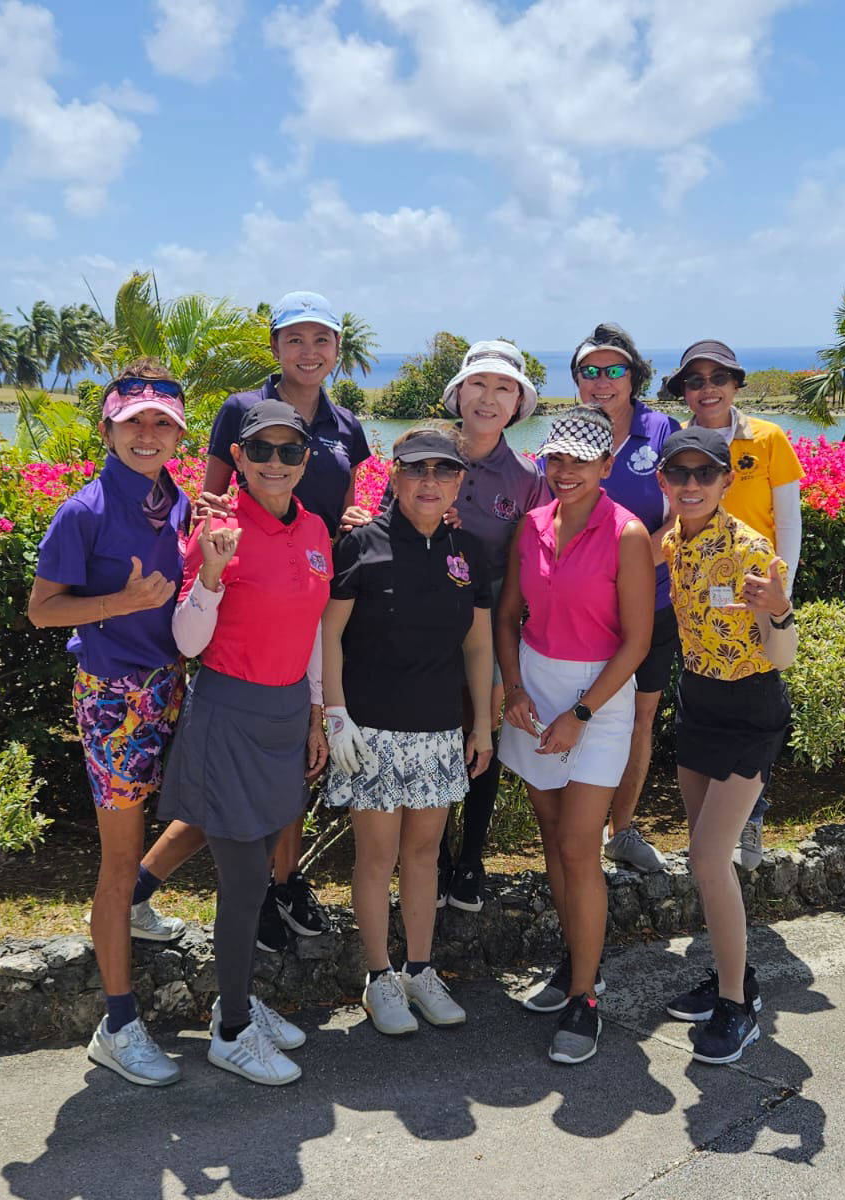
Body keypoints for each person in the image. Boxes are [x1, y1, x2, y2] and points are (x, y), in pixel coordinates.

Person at [131, 291, 373, 953]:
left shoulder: (347, 426)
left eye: (322, 340)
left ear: (337, 352)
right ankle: (178, 894)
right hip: (247, 593)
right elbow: (213, 500)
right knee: (237, 796)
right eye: (295, 339)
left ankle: (282, 885)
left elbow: (341, 519)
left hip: (312, 596)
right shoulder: (239, 411)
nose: (309, 352)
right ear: (275, 348)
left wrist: (352, 531)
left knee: (291, 776)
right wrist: (210, 567)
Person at [156, 398, 331, 1086]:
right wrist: (207, 574)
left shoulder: (315, 527)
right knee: (244, 881)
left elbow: (314, 628)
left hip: (287, 714)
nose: (276, 464)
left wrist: (317, 714)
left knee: (256, 873)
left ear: (306, 461)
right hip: (229, 711)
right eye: (261, 451)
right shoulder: (219, 529)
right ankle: (229, 1030)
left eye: (290, 452)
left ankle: (240, 998)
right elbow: (188, 641)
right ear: (240, 458)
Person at [26, 359, 192, 1087]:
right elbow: (42, 607)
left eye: (163, 423)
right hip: (113, 699)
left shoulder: (180, 502)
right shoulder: (83, 512)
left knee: (214, 809)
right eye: (135, 424)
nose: (149, 436)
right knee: (116, 860)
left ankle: (143, 899)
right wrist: (116, 605)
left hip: (176, 686)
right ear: (109, 429)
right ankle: (118, 1024)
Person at [323, 426, 496, 1035]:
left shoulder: (467, 551)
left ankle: (420, 970)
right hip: (370, 731)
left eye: (443, 471)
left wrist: (481, 725)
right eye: (416, 470)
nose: (429, 482)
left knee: (424, 855)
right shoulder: (360, 546)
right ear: (393, 477)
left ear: (458, 482)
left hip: (440, 731)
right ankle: (378, 978)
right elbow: (331, 636)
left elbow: (479, 645)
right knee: (376, 858)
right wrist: (335, 712)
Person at [496, 405, 654, 1064]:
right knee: (552, 841)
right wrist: (515, 689)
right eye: (556, 459)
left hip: (602, 700)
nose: (565, 472)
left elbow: (638, 642)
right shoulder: (530, 526)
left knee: (578, 844)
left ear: (606, 467)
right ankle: (573, 962)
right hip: (536, 689)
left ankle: (585, 997)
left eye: (580, 462)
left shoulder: (628, 534)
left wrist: (580, 714)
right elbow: (508, 617)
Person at [651, 425, 797, 1064]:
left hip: (749, 712)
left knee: (708, 858)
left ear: (726, 481)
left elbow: (783, 657)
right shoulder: (674, 543)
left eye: (703, 474)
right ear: (664, 480)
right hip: (698, 704)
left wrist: (783, 611)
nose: (690, 485)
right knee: (714, 864)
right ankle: (735, 975)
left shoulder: (750, 550)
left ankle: (737, 1008)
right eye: (678, 474)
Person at [384, 340, 547, 913]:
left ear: (518, 404)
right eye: (479, 384)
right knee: (433, 740)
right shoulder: (421, 453)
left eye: (504, 388)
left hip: (490, 633)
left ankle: (470, 860)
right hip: (421, 633)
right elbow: (387, 525)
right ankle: (435, 858)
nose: (489, 397)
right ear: (459, 392)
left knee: (481, 738)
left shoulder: (527, 477)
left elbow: (532, 562)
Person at [658, 340, 805, 870]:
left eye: (718, 376)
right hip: (702, 588)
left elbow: (788, 520)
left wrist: (777, 591)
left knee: (755, 686)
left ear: (736, 383)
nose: (706, 388)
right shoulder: (679, 443)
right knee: (706, 688)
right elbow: (672, 524)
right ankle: (724, 840)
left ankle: (750, 816)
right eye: (694, 380)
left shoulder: (766, 438)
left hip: (753, 586)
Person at [568, 323, 680, 877]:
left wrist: (622, 575)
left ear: (634, 377)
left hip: (652, 605)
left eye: (614, 370)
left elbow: (683, 511)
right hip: (579, 613)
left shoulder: (660, 430)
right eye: (590, 371)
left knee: (639, 720)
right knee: (575, 714)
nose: (602, 381)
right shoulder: (566, 434)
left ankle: (624, 830)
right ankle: (574, 838)